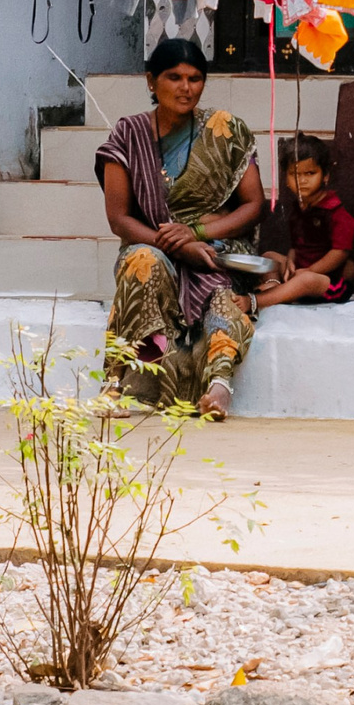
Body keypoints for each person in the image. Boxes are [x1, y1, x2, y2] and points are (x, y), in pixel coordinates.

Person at [95, 37, 265, 419]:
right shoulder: (128, 134)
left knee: (223, 300)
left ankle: (219, 386)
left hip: (214, 251)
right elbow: (119, 218)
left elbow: (255, 205)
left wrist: (199, 235)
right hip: (153, 246)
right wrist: (174, 244)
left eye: (195, 78)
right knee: (143, 262)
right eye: (174, 77)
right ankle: (116, 382)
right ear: (151, 80)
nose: (185, 88)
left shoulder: (225, 131)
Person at [254, 134, 354, 309]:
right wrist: (290, 261)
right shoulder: (299, 208)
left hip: (329, 282)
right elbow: (297, 246)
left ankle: (256, 302)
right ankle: (275, 286)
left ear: (325, 176)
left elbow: (340, 253)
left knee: (304, 281)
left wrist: (311, 271)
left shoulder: (335, 212)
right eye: (294, 174)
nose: (302, 180)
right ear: (286, 179)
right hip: (301, 271)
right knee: (268, 257)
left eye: (310, 173)